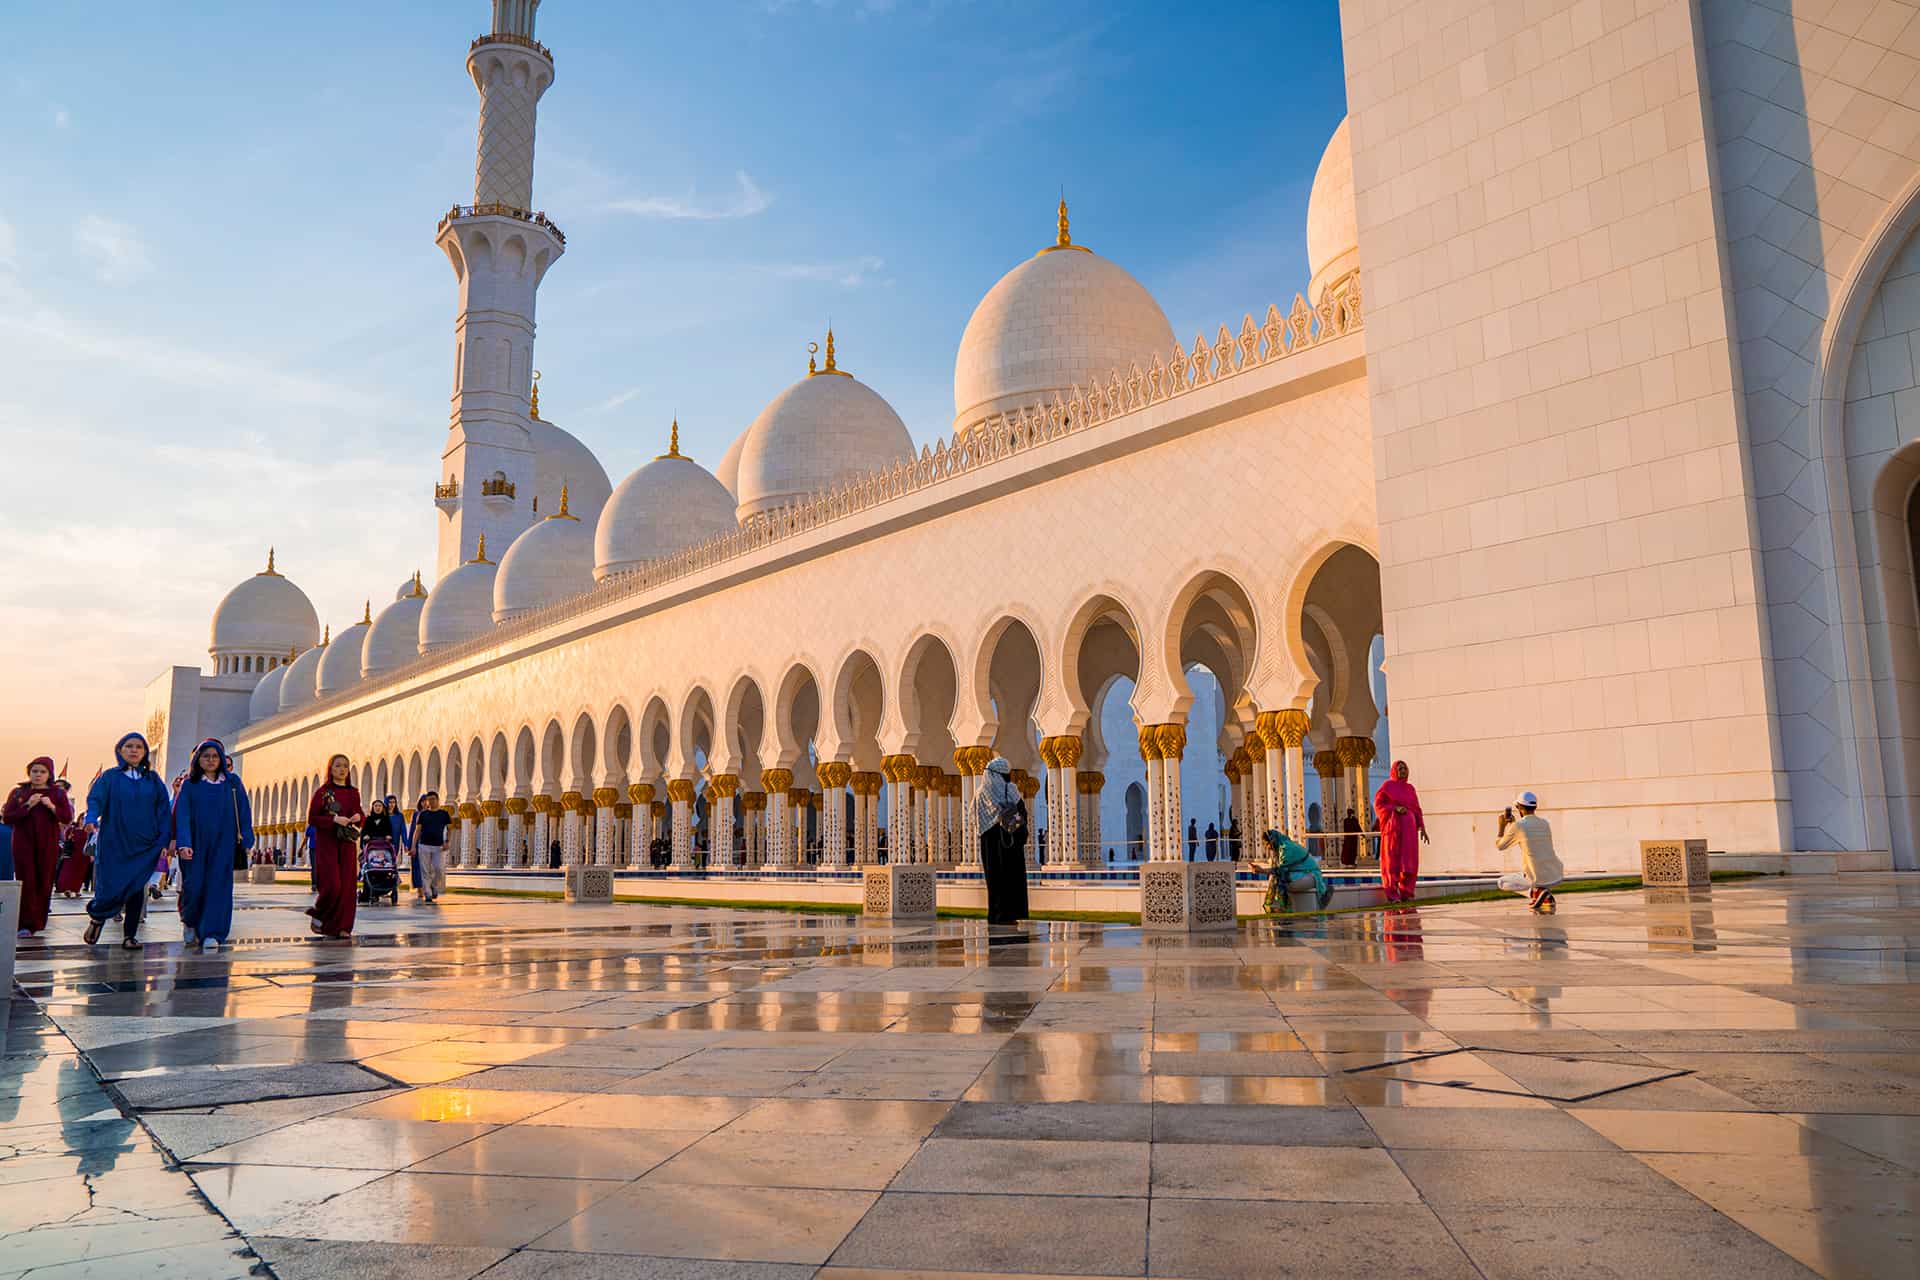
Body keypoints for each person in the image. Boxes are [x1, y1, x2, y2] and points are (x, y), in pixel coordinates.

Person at [82, 733, 172, 949]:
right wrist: (91, 818)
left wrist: (164, 838)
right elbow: (96, 800)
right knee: (109, 885)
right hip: (115, 842)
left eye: (139, 747)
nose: (134, 750)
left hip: (144, 845)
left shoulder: (153, 780)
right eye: (129, 746)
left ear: (145, 752)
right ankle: (98, 917)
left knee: (136, 887)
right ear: (120, 750)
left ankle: (130, 936)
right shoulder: (110, 777)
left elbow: (163, 810)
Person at [171, 738, 253, 952]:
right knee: (194, 886)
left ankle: (212, 933)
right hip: (196, 844)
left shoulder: (232, 783)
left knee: (218, 888)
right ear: (198, 759)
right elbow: (183, 815)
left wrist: (247, 837)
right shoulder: (190, 784)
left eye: (215, 756)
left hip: (223, 844)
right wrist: (184, 843)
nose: (210, 760)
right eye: (205, 756)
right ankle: (190, 921)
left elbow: (243, 811)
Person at [4, 757, 72, 937]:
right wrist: (28, 805)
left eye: (42, 772)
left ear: (49, 774)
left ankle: (38, 922)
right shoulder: (19, 792)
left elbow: (66, 817)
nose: (38, 775)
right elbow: (8, 817)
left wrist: (52, 807)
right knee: (26, 880)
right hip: (23, 843)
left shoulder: (57, 794)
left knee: (44, 880)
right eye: (34, 771)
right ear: (29, 772)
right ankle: (24, 923)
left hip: (47, 844)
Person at [306, 754, 364, 940]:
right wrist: (334, 820)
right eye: (338, 766)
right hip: (328, 843)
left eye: (345, 766)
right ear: (330, 769)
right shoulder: (323, 792)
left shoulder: (353, 793)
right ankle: (320, 913)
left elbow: (360, 814)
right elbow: (312, 818)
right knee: (333, 885)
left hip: (346, 843)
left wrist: (358, 817)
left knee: (347, 887)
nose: (342, 769)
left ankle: (343, 926)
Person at [975, 756, 1029, 925]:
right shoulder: (1010, 789)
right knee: (1011, 877)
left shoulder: (980, 793)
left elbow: (976, 818)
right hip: (1009, 840)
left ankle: (995, 914)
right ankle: (1010, 914)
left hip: (989, 842)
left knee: (994, 879)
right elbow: (1022, 812)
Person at [1495, 791, 1564, 914]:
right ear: (1535, 807)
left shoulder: (1518, 826)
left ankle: (1536, 892)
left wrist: (1501, 827)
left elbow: (1500, 846)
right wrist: (1513, 824)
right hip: (1555, 874)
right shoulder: (1545, 823)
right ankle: (1544, 896)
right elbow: (1529, 840)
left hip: (1536, 877)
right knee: (1527, 873)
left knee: (1502, 882)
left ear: (1519, 807)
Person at [1371, 759, 1428, 904]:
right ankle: (1392, 894)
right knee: (1393, 861)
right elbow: (1378, 805)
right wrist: (1395, 808)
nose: (1403, 771)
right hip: (1393, 832)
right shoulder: (1388, 786)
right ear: (1394, 771)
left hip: (1409, 833)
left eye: (1404, 768)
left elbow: (1417, 809)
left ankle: (1406, 892)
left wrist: (1422, 827)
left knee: (1408, 861)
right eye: (1400, 768)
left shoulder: (1410, 789)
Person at [1259, 828, 1334, 912]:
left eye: (1267, 844)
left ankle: (1282, 907)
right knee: (1277, 877)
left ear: (1273, 841)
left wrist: (1262, 870)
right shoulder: (1281, 848)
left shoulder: (1286, 848)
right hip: (1302, 874)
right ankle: (1279, 906)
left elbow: (1280, 870)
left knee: (1279, 878)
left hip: (1312, 876)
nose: (1267, 847)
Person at [410, 791, 452, 904]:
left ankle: (433, 885)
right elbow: (417, 831)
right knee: (425, 871)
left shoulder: (444, 814)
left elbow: (449, 829)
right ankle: (428, 894)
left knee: (439, 869)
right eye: (429, 800)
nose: (431, 802)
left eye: (433, 799)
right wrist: (413, 846)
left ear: (437, 800)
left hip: (438, 846)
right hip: (424, 845)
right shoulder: (422, 814)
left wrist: (447, 842)